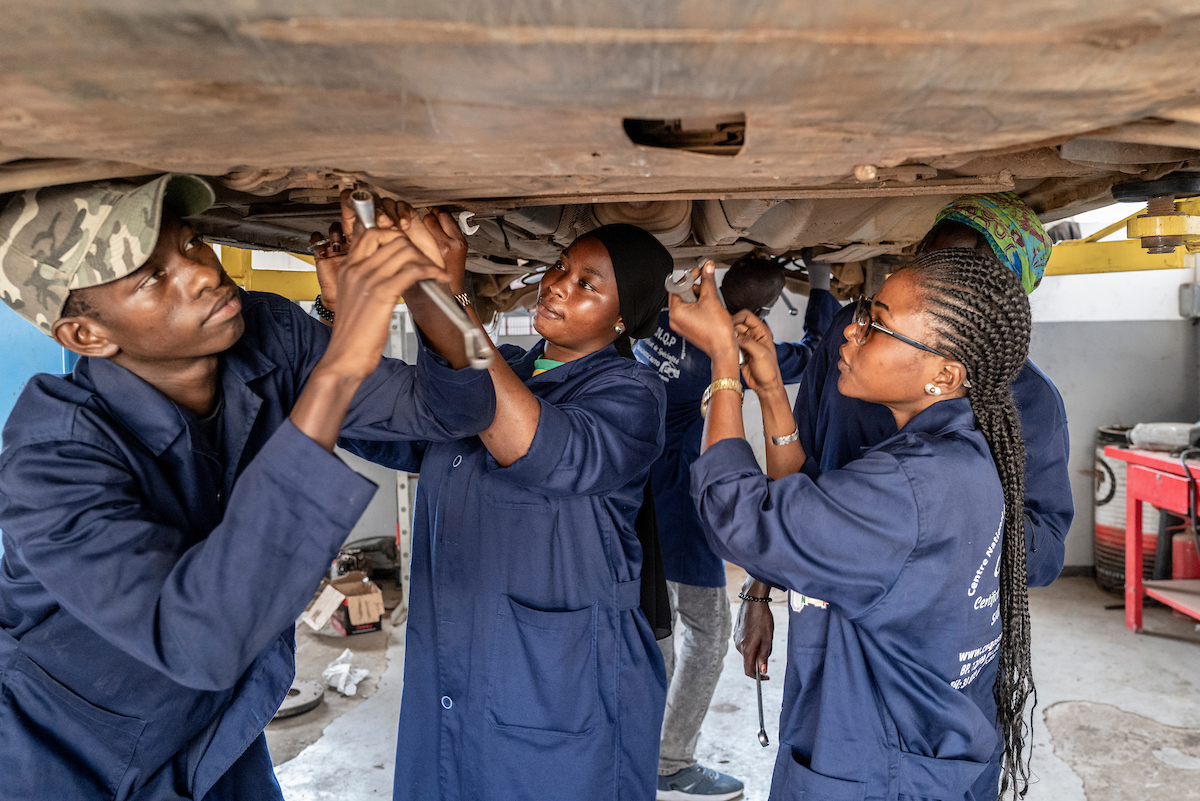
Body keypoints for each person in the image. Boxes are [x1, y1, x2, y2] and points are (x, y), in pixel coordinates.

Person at [0, 175, 494, 801]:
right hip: (71, 758)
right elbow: (197, 638)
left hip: (219, 732)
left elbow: (459, 408)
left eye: (193, 243)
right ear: (87, 337)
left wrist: (432, 290)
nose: (202, 274)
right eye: (153, 278)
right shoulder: (48, 463)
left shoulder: (267, 332)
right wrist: (342, 361)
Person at [324, 211, 675, 801]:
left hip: (557, 679)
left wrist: (448, 298)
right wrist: (345, 310)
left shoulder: (632, 393)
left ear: (623, 316)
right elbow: (378, 423)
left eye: (588, 283)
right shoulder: (506, 364)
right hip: (457, 657)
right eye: (562, 267)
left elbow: (534, 445)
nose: (559, 283)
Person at [669, 248, 1037, 800]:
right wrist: (770, 389)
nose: (850, 334)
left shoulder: (909, 487)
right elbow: (816, 514)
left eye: (877, 326)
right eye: (865, 312)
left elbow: (739, 515)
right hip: (920, 756)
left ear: (944, 373)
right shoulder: (953, 458)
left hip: (878, 770)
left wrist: (723, 365)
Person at [735, 196, 1071, 757]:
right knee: (819, 754)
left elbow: (1046, 551)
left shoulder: (1031, 402)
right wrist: (760, 588)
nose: (858, 334)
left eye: (955, 274)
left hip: (928, 648)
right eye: (923, 261)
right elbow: (798, 471)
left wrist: (941, 527)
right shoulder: (851, 342)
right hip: (825, 623)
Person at [632, 256, 840, 800]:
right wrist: (820, 281)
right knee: (705, 635)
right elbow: (819, 352)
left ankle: (636, 751)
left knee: (653, 624)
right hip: (689, 501)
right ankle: (670, 762)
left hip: (633, 495)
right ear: (767, 309)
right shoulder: (741, 349)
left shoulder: (666, 318)